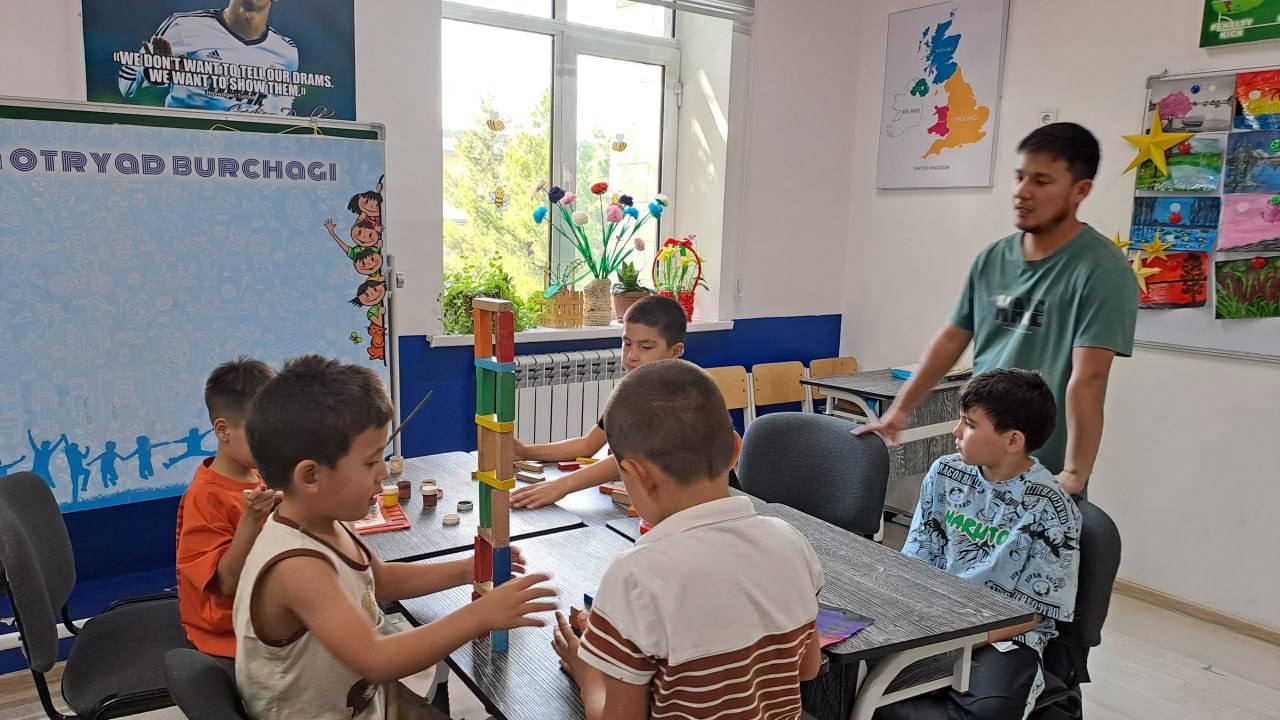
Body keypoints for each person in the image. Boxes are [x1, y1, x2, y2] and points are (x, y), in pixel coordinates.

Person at [236, 355, 556, 719]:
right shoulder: (297, 566)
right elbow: (377, 660)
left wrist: (467, 569)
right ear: (310, 477)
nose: (383, 472)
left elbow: (381, 580)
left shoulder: (325, 522)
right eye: (371, 461)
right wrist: (480, 616)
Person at [858, 123, 1137, 497]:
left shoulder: (1102, 270)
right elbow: (952, 338)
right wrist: (900, 410)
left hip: (1041, 471)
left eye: (1041, 181)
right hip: (977, 455)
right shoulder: (993, 258)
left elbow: (1089, 379)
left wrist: (1074, 474)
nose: (1023, 192)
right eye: (1020, 177)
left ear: (1080, 191)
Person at [552, 359, 823, 719]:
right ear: (735, 449)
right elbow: (807, 669)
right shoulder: (792, 542)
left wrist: (588, 674)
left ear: (635, 474)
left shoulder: (634, 576)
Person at [886, 369, 1081, 719]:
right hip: (933, 617)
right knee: (856, 676)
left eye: (970, 424)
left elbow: (1033, 613)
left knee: (988, 712)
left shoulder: (1050, 508)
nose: (956, 432)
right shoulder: (945, 473)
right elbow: (917, 560)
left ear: (1013, 440)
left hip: (1005, 635)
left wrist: (954, 642)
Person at [510, 295, 686, 509]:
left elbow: (632, 459)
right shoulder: (627, 394)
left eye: (646, 347)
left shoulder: (681, 398)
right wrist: (526, 451)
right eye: (627, 343)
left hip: (690, 503)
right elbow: (587, 445)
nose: (631, 356)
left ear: (675, 351)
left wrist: (562, 485)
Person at [174, 357, 277, 658]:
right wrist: (252, 518)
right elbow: (228, 584)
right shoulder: (204, 497)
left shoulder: (255, 475)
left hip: (264, 604)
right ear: (223, 430)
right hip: (230, 630)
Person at [118, 1, 299, 114]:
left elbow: (280, 112)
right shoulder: (185, 26)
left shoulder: (286, 51)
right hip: (189, 150)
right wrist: (154, 75)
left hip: (247, 156)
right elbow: (128, 86)